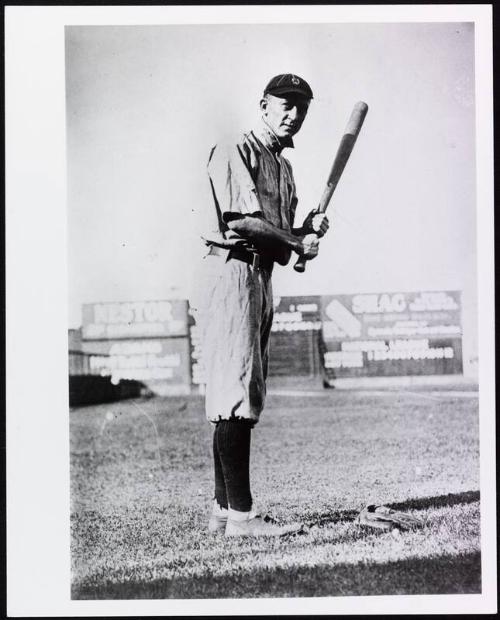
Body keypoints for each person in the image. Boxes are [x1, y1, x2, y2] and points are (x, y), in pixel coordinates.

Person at [197, 74, 329, 537]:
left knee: (240, 390)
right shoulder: (238, 146)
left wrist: (306, 229)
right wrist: (295, 242)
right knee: (235, 392)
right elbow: (242, 222)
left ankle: (221, 509)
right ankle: (243, 517)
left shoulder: (284, 167)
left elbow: (280, 233)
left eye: (301, 108)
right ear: (264, 105)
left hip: (259, 274)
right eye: (285, 104)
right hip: (232, 268)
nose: (293, 113)